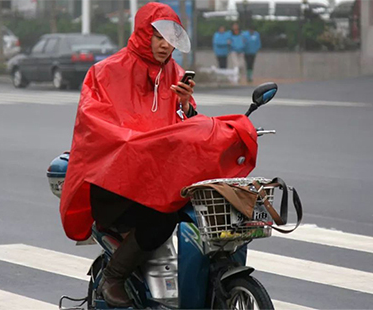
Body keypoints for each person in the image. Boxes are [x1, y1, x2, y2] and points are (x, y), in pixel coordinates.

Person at [59, 2, 259, 308]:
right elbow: (95, 125)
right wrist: (132, 143)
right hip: (116, 182)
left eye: (171, 40)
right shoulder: (105, 72)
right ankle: (114, 276)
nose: (166, 46)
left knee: (207, 212)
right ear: (143, 34)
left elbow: (182, 132)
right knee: (161, 220)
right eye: (159, 37)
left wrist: (188, 107)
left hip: (160, 179)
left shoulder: (174, 73)